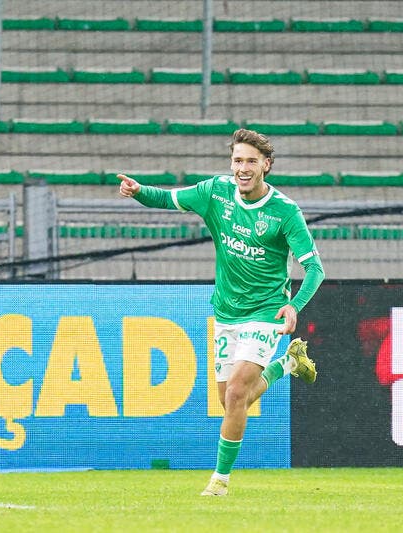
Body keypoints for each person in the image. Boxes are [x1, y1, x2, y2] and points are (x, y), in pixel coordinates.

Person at [118, 128, 325, 496]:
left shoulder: (285, 212)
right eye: (237, 161)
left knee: (235, 396)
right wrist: (138, 193)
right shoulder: (215, 192)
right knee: (230, 400)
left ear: (266, 165)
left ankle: (220, 481)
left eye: (250, 161)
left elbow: (315, 269)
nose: (242, 168)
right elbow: (169, 198)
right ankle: (288, 366)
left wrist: (293, 305)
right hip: (226, 313)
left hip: (266, 312)